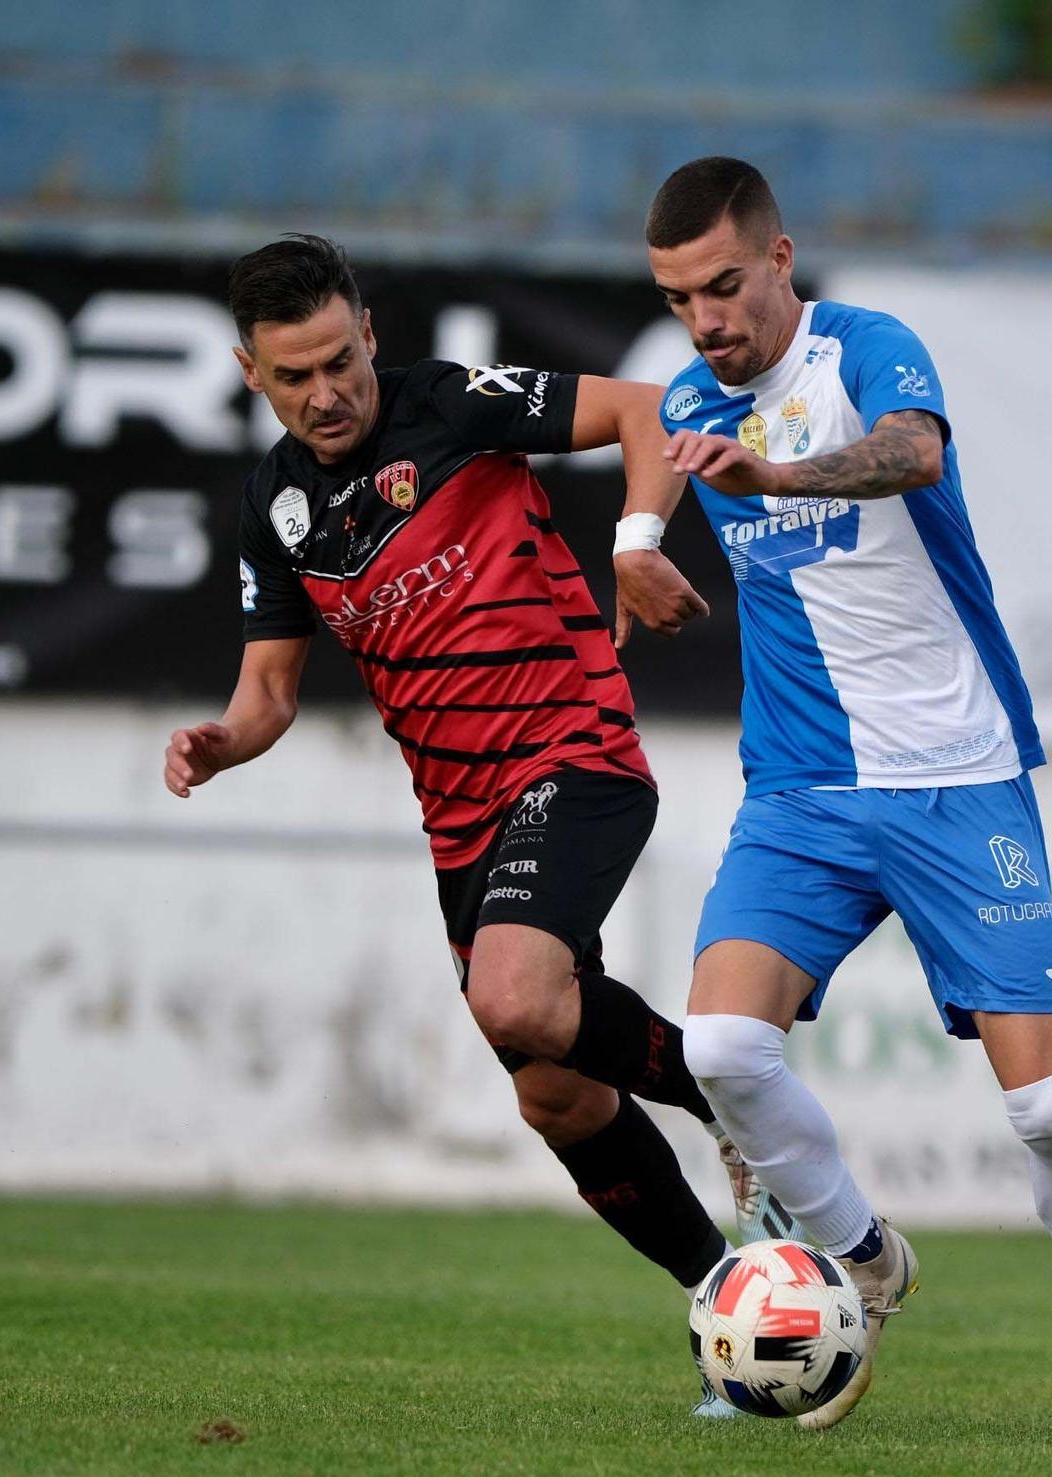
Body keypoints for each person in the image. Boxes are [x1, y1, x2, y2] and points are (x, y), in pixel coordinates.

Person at [608, 157, 1052, 1441]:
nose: (707, 320)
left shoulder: (867, 349)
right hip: (803, 788)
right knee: (721, 1047)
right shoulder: (682, 392)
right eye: (678, 299)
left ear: (779, 258)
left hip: (955, 773)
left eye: (724, 286)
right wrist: (638, 546)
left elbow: (911, 454)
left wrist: (770, 481)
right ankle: (864, 1258)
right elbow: (650, 444)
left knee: (1046, 1106)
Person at [162, 234, 786, 1415]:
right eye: (295, 376)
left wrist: (637, 543)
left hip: (572, 753)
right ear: (254, 376)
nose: (327, 392)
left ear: (368, 338)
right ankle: (729, 1305)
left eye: (341, 361)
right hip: (459, 823)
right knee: (553, 1090)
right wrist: (222, 742)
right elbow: (269, 696)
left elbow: (651, 407)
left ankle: (743, 1106)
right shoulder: (276, 506)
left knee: (515, 995)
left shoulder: (450, 406)